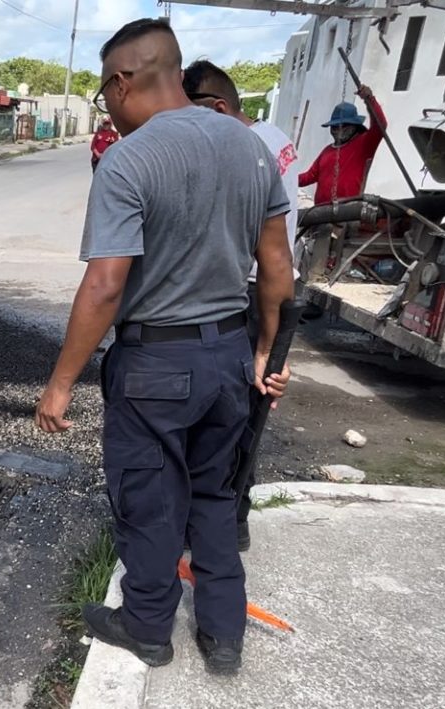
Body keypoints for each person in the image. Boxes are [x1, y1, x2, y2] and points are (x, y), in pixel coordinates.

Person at [34, 19, 294, 675]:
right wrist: (265, 351)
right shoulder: (249, 147)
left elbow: (104, 285)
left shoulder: (130, 158)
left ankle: (147, 624)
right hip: (231, 355)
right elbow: (278, 268)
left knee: (151, 497)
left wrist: (61, 382)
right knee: (212, 495)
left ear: (122, 84)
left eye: (103, 94)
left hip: (157, 364)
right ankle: (223, 632)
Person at [181, 59, 296, 552]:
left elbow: (268, 256)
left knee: (228, 413)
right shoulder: (275, 138)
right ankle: (230, 521)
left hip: (251, 294)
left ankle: (215, 524)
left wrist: (265, 342)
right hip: (275, 293)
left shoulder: (241, 148)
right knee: (247, 413)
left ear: (219, 107)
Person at [298, 85, 385, 203]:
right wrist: (287, 180)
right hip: (319, 213)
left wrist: (369, 99)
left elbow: (380, 125)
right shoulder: (327, 151)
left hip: (348, 213)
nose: (338, 130)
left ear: (354, 126)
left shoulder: (364, 144)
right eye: (334, 126)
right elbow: (310, 176)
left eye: (343, 126)